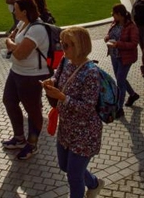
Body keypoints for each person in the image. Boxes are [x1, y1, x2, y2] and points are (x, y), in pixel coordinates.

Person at [43, 27, 105, 198]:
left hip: (85, 133)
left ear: (81, 46)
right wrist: (52, 81)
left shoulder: (91, 72)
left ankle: (86, 188)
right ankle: (94, 183)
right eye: (63, 44)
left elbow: (87, 108)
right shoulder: (65, 61)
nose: (64, 49)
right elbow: (58, 77)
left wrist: (62, 97)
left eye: (68, 45)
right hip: (66, 128)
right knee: (65, 166)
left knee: (74, 176)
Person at [1, 0, 50, 160]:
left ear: (24, 11)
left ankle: (32, 144)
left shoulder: (37, 29)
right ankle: (19, 138)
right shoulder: (23, 24)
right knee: (8, 100)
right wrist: (13, 43)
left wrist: (10, 43)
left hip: (32, 75)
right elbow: (14, 41)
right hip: (16, 71)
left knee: (33, 110)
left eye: (15, 8)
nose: (13, 11)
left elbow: (21, 53)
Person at [104, 4, 139, 116]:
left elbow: (134, 44)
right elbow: (110, 34)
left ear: (119, 14)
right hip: (114, 55)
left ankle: (119, 108)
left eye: (113, 14)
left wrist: (118, 44)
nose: (112, 16)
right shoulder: (115, 23)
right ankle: (133, 95)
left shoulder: (131, 26)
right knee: (121, 79)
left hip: (125, 58)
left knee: (120, 81)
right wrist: (107, 38)